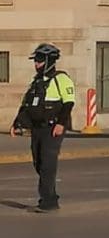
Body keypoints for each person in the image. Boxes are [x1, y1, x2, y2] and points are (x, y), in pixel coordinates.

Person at [8, 43, 75, 213]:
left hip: (52, 128)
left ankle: (48, 201)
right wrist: (17, 123)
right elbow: (27, 105)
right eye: (35, 61)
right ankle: (50, 196)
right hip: (37, 129)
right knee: (38, 162)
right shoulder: (37, 82)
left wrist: (61, 123)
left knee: (47, 164)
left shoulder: (61, 79)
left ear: (48, 60)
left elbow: (68, 103)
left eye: (39, 60)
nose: (36, 64)